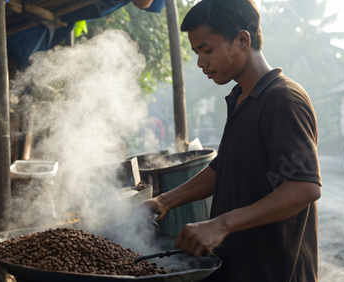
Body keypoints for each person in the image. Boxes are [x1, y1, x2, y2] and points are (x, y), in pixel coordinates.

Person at [136, 0, 322, 281]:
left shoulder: (283, 99)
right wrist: (164, 200)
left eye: (207, 50)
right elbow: (226, 168)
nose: (200, 62)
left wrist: (220, 225)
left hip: (275, 271)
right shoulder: (242, 98)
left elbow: (303, 188)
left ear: (242, 39)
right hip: (239, 267)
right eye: (197, 52)